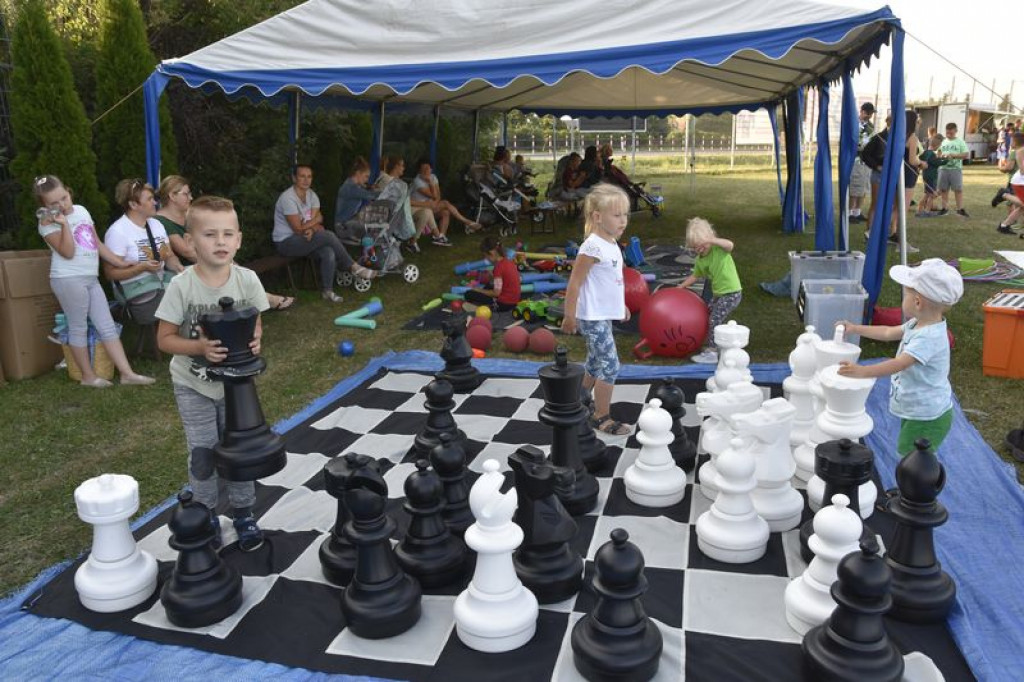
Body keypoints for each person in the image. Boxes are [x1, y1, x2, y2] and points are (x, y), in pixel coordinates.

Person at [155, 195, 269, 552]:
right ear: (190, 242)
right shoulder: (181, 286)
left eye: (227, 234)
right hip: (194, 385)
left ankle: (243, 512)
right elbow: (164, 340)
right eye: (209, 234)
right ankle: (203, 514)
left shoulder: (247, 280)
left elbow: (257, 324)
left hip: (236, 388)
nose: (220, 242)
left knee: (239, 449)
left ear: (238, 239)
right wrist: (200, 349)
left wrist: (255, 342)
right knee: (203, 452)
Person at [34, 175, 155, 387]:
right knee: (78, 327)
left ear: (69, 191)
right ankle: (88, 377)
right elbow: (68, 252)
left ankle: (127, 374)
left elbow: (95, 243)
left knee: (106, 325)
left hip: (90, 278)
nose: (62, 204)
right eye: (54, 203)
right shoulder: (46, 224)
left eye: (63, 197)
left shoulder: (81, 211)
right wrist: (63, 225)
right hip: (68, 280)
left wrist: (119, 261)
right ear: (44, 206)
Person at [837, 259, 963, 458]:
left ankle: (915, 487)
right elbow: (888, 332)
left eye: (905, 294)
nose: (902, 298)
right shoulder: (918, 323)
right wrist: (855, 328)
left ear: (918, 302)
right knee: (912, 454)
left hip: (928, 415)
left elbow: (898, 364)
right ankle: (915, 483)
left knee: (912, 457)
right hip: (917, 408)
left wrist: (862, 371)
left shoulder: (928, 337)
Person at [157, 175, 294, 310]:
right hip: (192, 268)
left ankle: (258, 300)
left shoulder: (188, 215)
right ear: (172, 196)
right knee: (233, 275)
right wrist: (225, 263)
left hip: (210, 260)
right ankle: (264, 299)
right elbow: (187, 251)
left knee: (237, 275)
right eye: (186, 194)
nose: (191, 198)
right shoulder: (160, 221)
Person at [560, 183, 632, 436]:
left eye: (625, 214)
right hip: (592, 318)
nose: (623, 220)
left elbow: (610, 282)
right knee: (611, 366)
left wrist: (619, 305)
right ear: (598, 217)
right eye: (617, 215)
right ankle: (601, 416)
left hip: (602, 315)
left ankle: (578, 400)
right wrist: (569, 316)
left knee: (594, 362)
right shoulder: (592, 247)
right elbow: (575, 284)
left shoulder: (611, 242)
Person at [272, 164, 376, 303]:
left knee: (328, 251)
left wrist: (312, 228)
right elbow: (298, 228)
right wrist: (314, 223)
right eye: (302, 176)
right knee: (327, 235)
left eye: (309, 176)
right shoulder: (287, 198)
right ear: (294, 178)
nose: (306, 180)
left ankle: (327, 291)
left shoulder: (312, 196)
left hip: (305, 239)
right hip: (286, 242)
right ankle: (353, 266)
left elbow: (315, 221)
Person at [103, 178, 185, 324]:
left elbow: (169, 256)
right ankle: (178, 343)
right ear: (133, 204)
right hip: (136, 293)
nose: (155, 202)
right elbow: (110, 273)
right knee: (184, 304)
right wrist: (142, 268)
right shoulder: (118, 232)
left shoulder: (156, 224)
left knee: (200, 281)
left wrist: (178, 267)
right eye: (149, 199)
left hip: (161, 285)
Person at [677, 217, 742, 364]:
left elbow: (730, 245)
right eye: (695, 247)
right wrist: (681, 286)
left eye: (702, 245)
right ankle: (712, 342)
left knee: (715, 319)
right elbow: (695, 276)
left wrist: (713, 240)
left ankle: (713, 353)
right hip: (719, 294)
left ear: (710, 239)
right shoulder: (701, 260)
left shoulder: (719, 249)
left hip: (732, 292)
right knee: (707, 313)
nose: (699, 249)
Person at [373, 156, 439, 251]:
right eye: (402, 166)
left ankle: (413, 242)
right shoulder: (392, 182)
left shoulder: (390, 180)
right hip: (393, 215)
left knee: (425, 213)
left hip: (396, 213)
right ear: (396, 167)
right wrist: (426, 204)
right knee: (427, 210)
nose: (404, 168)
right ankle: (435, 235)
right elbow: (405, 203)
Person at [409, 159, 481, 242]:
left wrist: (435, 203)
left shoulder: (433, 177)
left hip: (430, 206)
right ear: (419, 170)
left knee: (445, 212)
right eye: (424, 169)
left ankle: (441, 236)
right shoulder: (417, 181)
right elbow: (433, 195)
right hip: (418, 207)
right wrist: (431, 183)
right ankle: (466, 222)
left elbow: (438, 195)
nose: (426, 171)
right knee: (445, 203)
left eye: (428, 168)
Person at [885, 110, 924, 251]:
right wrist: (922, 163)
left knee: (896, 208)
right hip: (908, 176)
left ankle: (891, 233)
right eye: (917, 120)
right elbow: (913, 160)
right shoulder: (912, 137)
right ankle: (901, 244)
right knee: (903, 209)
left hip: (897, 174)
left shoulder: (896, 135)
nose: (919, 122)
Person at [464, 236, 521, 312]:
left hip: (504, 304)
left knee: (468, 294)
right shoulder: (508, 261)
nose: (485, 258)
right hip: (515, 300)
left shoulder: (499, 268)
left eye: (486, 256)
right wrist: (492, 278)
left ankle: (485, 307)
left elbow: (496, 293)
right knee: (488, 285)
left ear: (491, 253)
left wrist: (479, 290)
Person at [334, 156, 380, 244]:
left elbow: (364, 189)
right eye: (366, 176)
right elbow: (372, 196)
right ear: (358, 173)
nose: (367, 180)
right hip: (344, 227)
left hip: (347, 224)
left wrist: (369, 187)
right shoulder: (351, 188)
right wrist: (387, 191)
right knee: (375, 228)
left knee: (373, 224)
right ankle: (369, 253)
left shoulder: (350, 185)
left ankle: (367, 251)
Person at [936, 122, 970, 217]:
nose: (949, 135)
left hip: (955, 169)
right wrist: (941, 156)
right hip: (943, 168)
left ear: (956, 131)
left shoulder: (960, 141)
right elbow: (937, 152)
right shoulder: (943, 141)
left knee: (958, 190)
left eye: (951, 133)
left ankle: (960, 209)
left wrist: (954, 156)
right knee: (943, 189)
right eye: (947, 133)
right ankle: (944, 208)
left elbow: (966, 154)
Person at [848, 102, 875, 223]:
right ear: (863, 112)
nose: (870, 116)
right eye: (869, 113)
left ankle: (857, 212)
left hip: (867, 161)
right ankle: (849, 213)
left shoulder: (870, 126)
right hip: (856, 159)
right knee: (855, 187)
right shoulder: (854, 124)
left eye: (871, 114)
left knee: (864, 187)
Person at [997, 131, 1024, 234]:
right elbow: (1022, 169)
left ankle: (1004, 225)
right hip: (1020, 181)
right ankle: (1004, 194)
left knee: (1022, 207)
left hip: (1020, 181)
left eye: (1012, 140)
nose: (1010, 142)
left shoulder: (1020, 150)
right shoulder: (1020, 150)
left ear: (1016, 141)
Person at [916, 134, 946, 217]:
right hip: (931, 177)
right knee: (931, 195)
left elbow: (920, 160)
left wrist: (939, 157)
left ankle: (919, 210)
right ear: (937, 146)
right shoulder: (932, 154)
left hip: (925, 176)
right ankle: (927, 211)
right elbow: (937, 163)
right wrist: (947, 160)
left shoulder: (925, 153)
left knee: (927, 194)